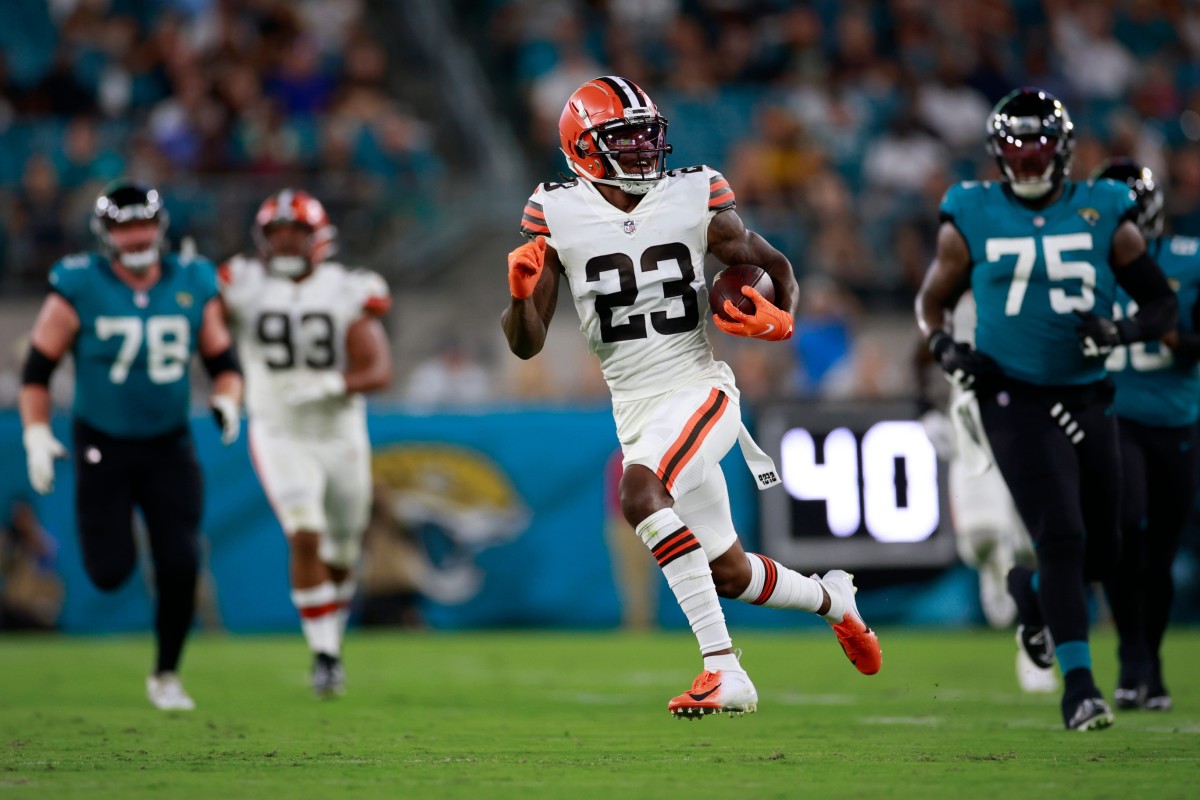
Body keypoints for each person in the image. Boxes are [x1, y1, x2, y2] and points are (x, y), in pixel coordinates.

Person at [501, 75, 881, 719]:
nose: (645, 151)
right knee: (728, 573)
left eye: (648, 137)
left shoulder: (693, 193)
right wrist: (518, 295)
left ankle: (723, 670)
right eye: (625, 139)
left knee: (639, 492)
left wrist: (776, 314)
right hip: (636, 408)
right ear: (584, 150)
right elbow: (526, 345)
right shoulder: (555, 211)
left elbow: (774, 266)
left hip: (698, 388)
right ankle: (832, 600)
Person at [915, 88, 1178, 731]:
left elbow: (1159, 306)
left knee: (1105, 551)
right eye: (1014, 144)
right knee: (1058, 533)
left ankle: (1031, 598)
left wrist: (1118, 334)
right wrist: (947, 346)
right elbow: (932, 301)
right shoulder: (971, 211)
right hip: (1012, 392)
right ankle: (1080, 687)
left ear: (1061, 150)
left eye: (1037, 143)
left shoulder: (1100, 210)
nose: (1026, 156)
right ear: (996, 151)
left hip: (1086, 390)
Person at [18, 179, 244, 710]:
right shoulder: (78, 285)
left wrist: (230, 400)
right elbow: (36, 370)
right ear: (106, 233)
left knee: (181, 560)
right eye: (125, 226)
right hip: (103, 442)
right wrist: (34, 433)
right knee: (110, 571)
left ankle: (166, 674)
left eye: (144, 223)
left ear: (161, 227)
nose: (137, 235)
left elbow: (223, 364)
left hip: (169, 442)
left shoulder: (192, 279)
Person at [219, 189, 393, 697]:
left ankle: (330, 641)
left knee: (341, 548)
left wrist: (333, 383)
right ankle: (324, 654)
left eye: (297, 231)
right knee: (304, 534)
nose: (287, 242)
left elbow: (378, 369)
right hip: (277, 428)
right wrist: (227, 388)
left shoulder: (346, 289)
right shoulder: (242, 284)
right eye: (278, 233)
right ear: (262, 240)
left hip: (338, 433)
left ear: (319, 238)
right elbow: (203, 326)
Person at [1094, 158, 1200, 712]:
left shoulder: (1189, 258)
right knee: (1126, 526)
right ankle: (1131, 657)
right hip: (1115, 415)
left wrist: (1176, 339)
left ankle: (1150, 662)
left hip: (1176, 420)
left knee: (1158, 552)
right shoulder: (1083, 264)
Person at [914, 295, 1057, 695]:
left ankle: (1033, 641)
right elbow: (925, 336)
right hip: (972, 414)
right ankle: (996, 568)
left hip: (1029, 406)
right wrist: (924, 405)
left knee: (1034, 545)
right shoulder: (957, 263)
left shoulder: (1040, 262)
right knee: (982, 537)